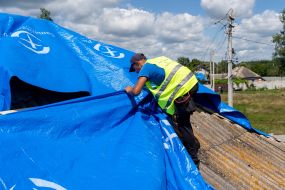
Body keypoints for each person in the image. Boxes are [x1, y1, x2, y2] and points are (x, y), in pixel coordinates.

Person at [125, 53, 200, 168]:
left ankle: (193, 159)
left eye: (134, 68)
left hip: (183, 91)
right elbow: (161, 79)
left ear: (138, 63)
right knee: (180, 122)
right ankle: (192, 144)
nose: (136, 72)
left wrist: (129, 89)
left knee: (183, 124)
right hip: (191, 82)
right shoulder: (158, 60)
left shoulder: (146, 68)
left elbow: (136, 91)